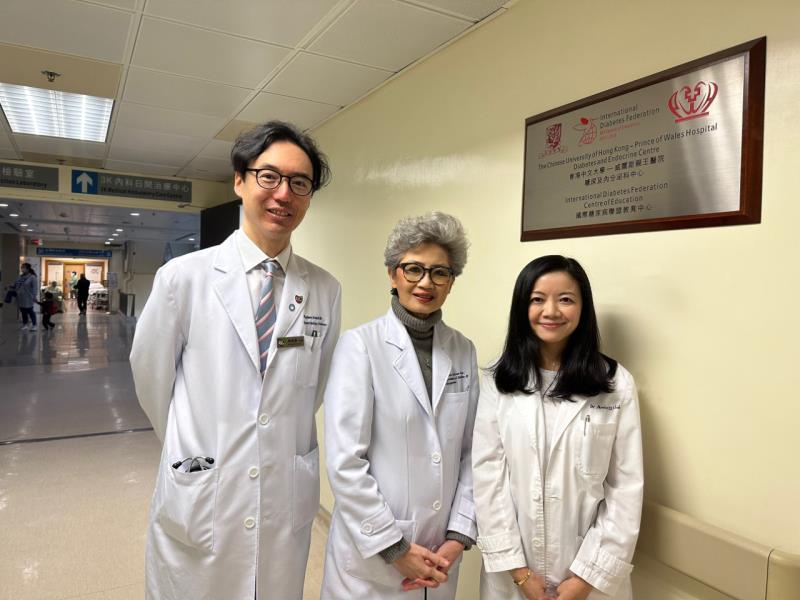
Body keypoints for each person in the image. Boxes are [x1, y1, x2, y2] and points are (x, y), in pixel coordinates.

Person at [130, 120, 341, 600]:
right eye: (269, 176)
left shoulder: (325, 289)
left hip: (281, 494)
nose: (283, 194)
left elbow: (316, 384)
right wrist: (195, 449)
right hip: (202, 493)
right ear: (240, 181)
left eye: (299, 183)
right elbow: (151, 381)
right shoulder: (183, 277)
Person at [321, 212, 479, 600]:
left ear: (452, 282)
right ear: (393, 274)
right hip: (374, 551)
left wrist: (458, 535)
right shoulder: (360, 346)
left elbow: (475, 451)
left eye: (439, 272)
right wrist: (395, 548)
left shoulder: (462, 350)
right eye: (413, 269)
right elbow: (345, 462)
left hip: (441, 552)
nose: (426, 282)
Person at [472, 256, 643, 600]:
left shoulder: (615, 384)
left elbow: (625, 486)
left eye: (566, 299)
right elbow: (488, 477)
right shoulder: (497, 380)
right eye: (537, 299)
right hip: (515, 575)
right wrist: (520, 574)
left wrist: (586, 578)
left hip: (589, 577)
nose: (551, 311)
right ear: (523, 307)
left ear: (583, 308)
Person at [16, 263, 39, 332]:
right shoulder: (20, 277)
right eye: (21, 267)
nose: (22, 269)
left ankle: (34, 325)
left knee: (30, 311)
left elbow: (35, 288)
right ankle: (25, 324)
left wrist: (34, 296)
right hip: (20, 297)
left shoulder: (32, 277)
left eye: (23, 267)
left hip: (29, 297)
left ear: (28, 269)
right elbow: (16, 285)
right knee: (23, 311)